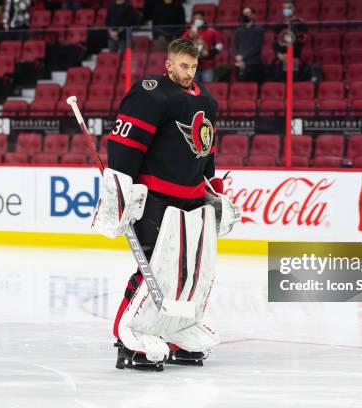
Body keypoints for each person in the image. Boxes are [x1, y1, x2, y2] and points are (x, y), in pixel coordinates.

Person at [91, 38, 241, 371]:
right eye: (183, 66)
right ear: (168, 64)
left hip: (191, 199)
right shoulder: (150, 94)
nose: (189, 72)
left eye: (193, 66)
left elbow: (205, 149)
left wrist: (212, 186)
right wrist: (122, 188)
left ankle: (174, 333)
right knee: (154, 271)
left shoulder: (206, 100)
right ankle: (128, 337)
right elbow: (125, 145)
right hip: (155, 198)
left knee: (187, 275)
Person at [181, 11, 223, 82]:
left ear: (203, 19)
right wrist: (189, 37)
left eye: (199, 18)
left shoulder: (211, 31)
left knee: (208, 88)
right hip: (192, 67)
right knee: (193, 90)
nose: (197, 20)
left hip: (207, 66)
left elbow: (220, 45)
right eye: (195, 18)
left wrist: (209, 53)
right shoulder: (188, 32)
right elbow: (181, 45)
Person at [272, 0, 307, 81]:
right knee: (279, 82)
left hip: (294, 58)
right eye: (284, 8)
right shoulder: (279, 25)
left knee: (292, 81)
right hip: (280, 58)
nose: (286, 10)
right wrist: (278, 54)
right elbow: (275, 43)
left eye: (289, 8)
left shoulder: (300, 24)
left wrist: (289, 55)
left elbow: (302, 42)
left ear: (294, 9)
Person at [232, 7, 264, 82]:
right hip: (240, 64)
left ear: (253, 15)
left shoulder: (259, 30)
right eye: (244, 14)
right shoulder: (238, 30)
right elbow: (234, 46)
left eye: (247, 13)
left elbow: (256, 47)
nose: (245, 15)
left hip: (254, 64)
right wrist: (238, 57)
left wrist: (242, 57)